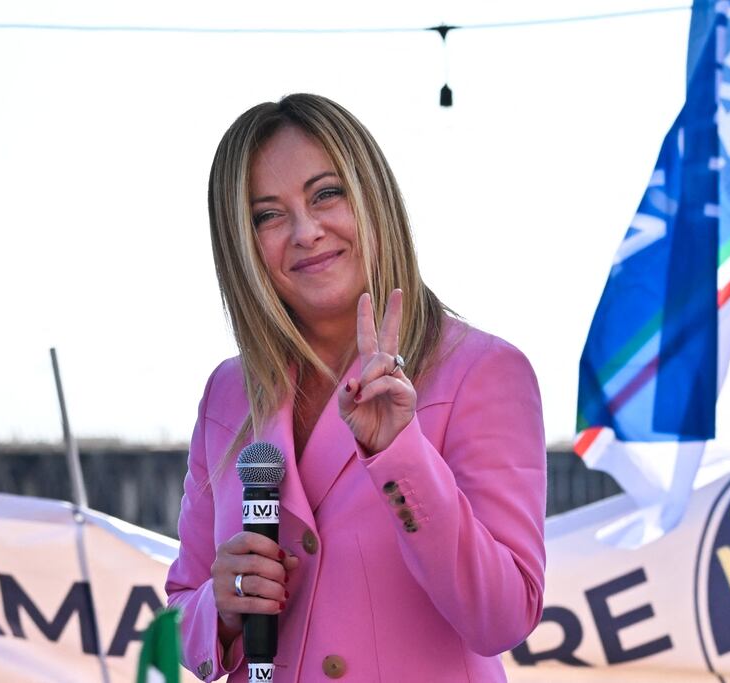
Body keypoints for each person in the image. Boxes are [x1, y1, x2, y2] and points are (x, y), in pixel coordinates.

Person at [165, 93, 546, 683]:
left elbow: (503, 616)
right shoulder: (226, 393)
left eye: (326, 194)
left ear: (373, 199)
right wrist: (224, 605)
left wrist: (402, 454)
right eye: (267, 214)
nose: (306, 231)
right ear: (242, 244)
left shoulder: (483, 372)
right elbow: (179, 617)